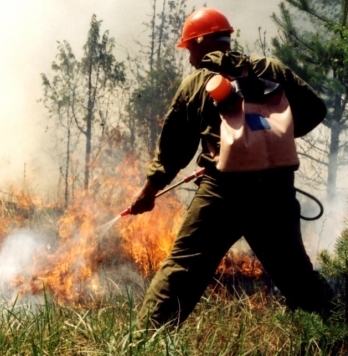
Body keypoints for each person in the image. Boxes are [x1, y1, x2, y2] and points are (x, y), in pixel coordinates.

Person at [129, 7, 332, 329]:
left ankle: (142, 341)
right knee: (295, 273)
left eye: (189, 48)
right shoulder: (271, 69)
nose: (188, 57)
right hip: (275, 189)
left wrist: (150, 190)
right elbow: (315, 109)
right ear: (226, 39)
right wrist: (271, 139)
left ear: (200, 43)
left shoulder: (196, 83)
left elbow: (174, 149)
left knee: (183, 269)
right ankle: (335, 332)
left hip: (222, 193)